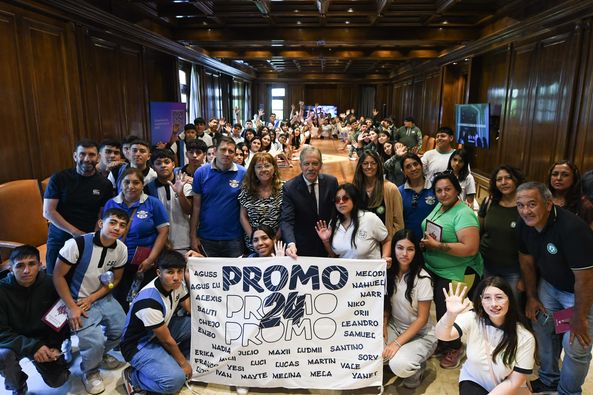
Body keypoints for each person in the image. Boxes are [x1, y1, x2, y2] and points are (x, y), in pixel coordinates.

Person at [517, 181, 593, 394]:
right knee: (544, 329)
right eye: (520, 205)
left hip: (580, 293)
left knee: (576, 346)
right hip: (550, 287)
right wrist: (532, 296)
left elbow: (586, 279)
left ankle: (568, 392)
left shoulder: (572, 229)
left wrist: (579, 316)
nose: (525, 211)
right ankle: (549, 379)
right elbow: (526, 261)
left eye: (532, 204)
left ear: (548, 204)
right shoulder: (524, 224)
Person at [52, 208, 129, 394]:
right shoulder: (76, 244)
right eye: (113, 222)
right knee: (94, 342)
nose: (117, 228)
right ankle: (90, 371)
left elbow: (115, 281)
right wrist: (71, 307)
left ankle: (99, 356)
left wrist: (94, 297)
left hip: (102, 296)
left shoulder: (121, 249)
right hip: (76, 301)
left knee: (123, 329)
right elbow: (57, 276)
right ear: (101, 223)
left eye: (122, 225)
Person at [421, 171, 483, 369]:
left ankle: (455, 347)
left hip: (459, 271)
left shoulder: (464, 213)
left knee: (448, 311)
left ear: (457, 189)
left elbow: (470, 248)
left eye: (447, 189)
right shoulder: (440, 207)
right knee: (439, 310)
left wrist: (437, 246)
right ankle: (443, 341)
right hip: (435, 268)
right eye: (438, 190)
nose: (443, 194)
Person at [435, 278, 536, 394]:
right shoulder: (472, 318)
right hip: (474, 380)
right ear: (481, 301)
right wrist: (450, 314)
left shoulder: (525, 337)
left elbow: (514, 381)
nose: (493, 304)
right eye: (487, 298)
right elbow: (442, 335)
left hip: (509, 389)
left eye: (499, 297)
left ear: (510, 300)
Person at [0, 245, 70, 395]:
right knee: (3, 355)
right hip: (15, 341)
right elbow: (1, 332)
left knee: (58, 381)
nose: (26, 271)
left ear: (40, 265)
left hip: (44, 341)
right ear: (10, 268)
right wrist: (32, 347)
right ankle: (18, 386)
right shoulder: (1, 291)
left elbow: (61, 320)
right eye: (20, 266)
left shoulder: (52, 283)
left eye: (31, 264)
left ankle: (59, 362)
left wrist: (54, 346)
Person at [120, 250, 191, 395]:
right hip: (138, 345)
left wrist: (188, 278)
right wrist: (183, 364)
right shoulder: (149, 301)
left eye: (180, 271)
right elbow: (166, 340)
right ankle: (133, 378)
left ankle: (166, 363)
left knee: (197, 326)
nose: (177, 277)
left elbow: (189, 308)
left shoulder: (178, 284)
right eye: (170, 272)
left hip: (158, 333)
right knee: (175, 381)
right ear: (159, 272)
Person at [43, 139, 114, 273]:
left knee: (82, 282)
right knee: (54, 280)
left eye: (91, 155)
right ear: (75, 156)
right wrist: (75, 232)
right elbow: (48, 212)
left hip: (88, 239)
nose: (87, 159)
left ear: (98, 158)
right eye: (82, 154)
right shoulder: (59, 178)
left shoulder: (105, 184)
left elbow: (102, 214)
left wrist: (93, 237)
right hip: (60, 238)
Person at [103, 168, 170, 310]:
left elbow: (163, 232)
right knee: (119, 301)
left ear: (142, 184)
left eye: (136, 182)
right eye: (126, 182)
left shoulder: (153, 203)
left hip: (144, 264)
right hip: (116, 264)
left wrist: (150, 259)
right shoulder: (111, 204)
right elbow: (104, 232)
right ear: (120, 183)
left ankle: (145, 330)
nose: (131, 186)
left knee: (146, 301)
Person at [383, 229, 437, 389]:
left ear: (416, 251)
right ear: (393, 248)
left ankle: (417, 369)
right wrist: (384, 323)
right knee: (373, 352)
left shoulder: (423, 279)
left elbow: (422, 319)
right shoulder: (389, 273)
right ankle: (403, 356)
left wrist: (397, 344)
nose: (404, 253)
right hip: (395, 326)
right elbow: (386, 303)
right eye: (400, 248)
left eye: (410, 249)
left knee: (399, 365)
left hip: (421, 334)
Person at [190, 137, 246, 257]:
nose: (227, 154)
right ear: (215, 151)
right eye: (223, 150)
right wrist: (193, 236)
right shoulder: (201, 173)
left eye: (231, 151)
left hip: (234, 238)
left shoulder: (243, 174)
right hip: (206, 237)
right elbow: (196, 208)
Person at [281, 146, 338, 257]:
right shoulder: (289, 187)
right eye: (306, 164)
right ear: (300, 165)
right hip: (301, 248)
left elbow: (336, 212)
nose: (310, 168)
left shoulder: (331, 182)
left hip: (328, 244)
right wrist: (291, 244)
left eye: (315, 163)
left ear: (321, 165)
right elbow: (287, 220)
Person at [479, 165, 525, 302]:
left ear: (516, 180)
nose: (503, 182)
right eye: (499, 179)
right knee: (488, 304)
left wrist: (524, 278)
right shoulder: (489, 202)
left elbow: (531, 245)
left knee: (511, 307)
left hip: (513, 270)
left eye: (508, 178)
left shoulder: (525, 206)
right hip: (487, 266)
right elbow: (479, 230)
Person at [315, 183, 390, 260]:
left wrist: (384, 258)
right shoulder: (334, 222)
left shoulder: (370, 218)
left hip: (368, 271)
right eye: (337, 200)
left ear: (354, 199)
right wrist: (326, 241)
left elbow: (386, 240)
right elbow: (334, 256)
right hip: (345, 271)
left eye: (345, 198)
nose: (341, 202)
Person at [146, 149, 193, 253]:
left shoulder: (184, 184)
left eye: (166, 162)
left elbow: (189, 211)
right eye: (158, 163)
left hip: (184, 241)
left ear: (173, 164)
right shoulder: (148, 189)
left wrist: (180, 193)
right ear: (153, 167)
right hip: (159, 243)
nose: (163, 165)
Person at [352, 150, 404, 240]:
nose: (369, 166)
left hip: (385, 243)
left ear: (378, 166)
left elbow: (398, 222)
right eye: (365, 163)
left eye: (373, 163)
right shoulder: (354, 188)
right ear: (360, 166)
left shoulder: (391, 189)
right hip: (361, 241)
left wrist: (390, 242)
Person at [238, 152, 283, 254]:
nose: (263, 170)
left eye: (267, 166)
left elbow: (285, 217)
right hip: (253, 246)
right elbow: (243, 217)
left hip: (277, 244)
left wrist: (274, 240)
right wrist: (255, 240)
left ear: (274, 168)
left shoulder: (283, 188)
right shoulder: (247, 189)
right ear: (254, 170)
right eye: (259, 167)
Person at [398, 153, 437, 240]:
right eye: (408, 167)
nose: (413, 168)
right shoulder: (399, 192)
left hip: (433, 241)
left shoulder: (436, 188)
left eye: (416, 164)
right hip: (408, 243)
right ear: (403, 171)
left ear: (422, 166)